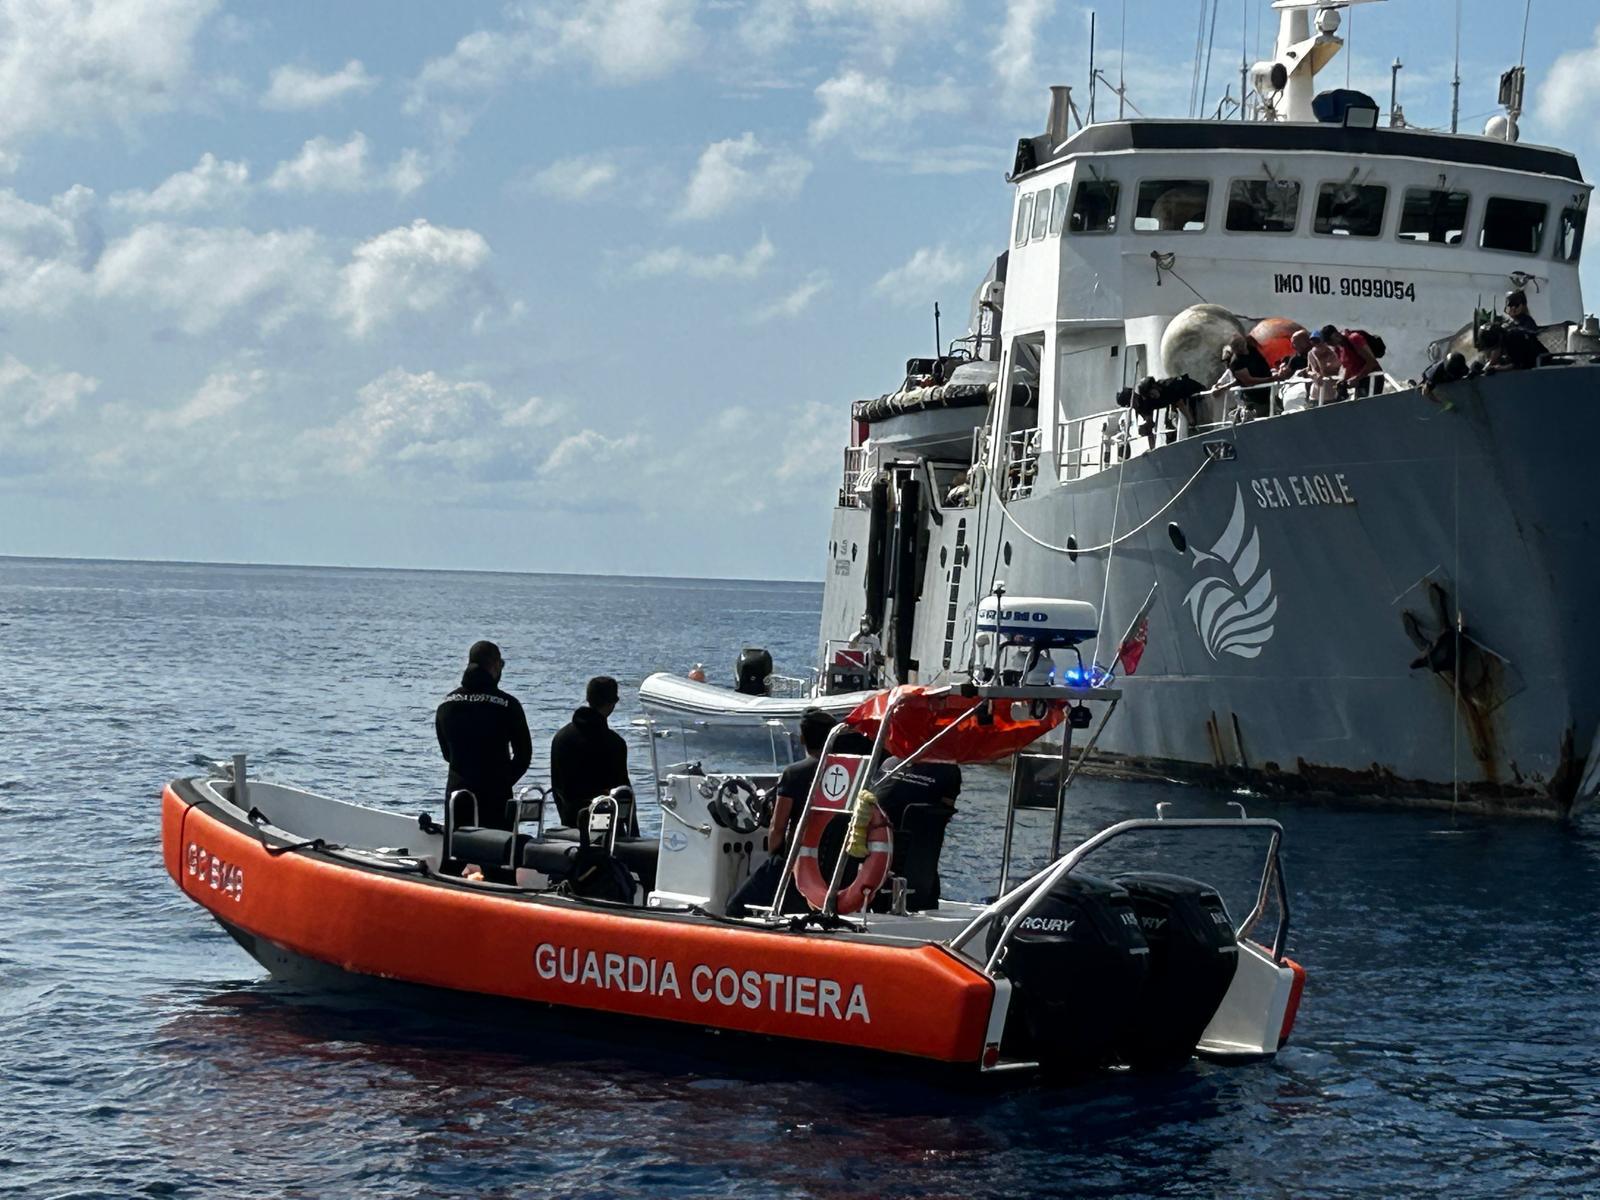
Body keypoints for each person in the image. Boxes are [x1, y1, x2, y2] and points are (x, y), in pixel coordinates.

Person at [726, 708, 857, 917]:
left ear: (803, 739)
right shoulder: (851, 772)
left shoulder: (794, 773)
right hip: (834, 860)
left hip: (795, 860)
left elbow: (777, 828)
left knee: (735, 908)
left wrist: (774, 858)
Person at [435, 640, 532, 831]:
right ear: (495, 665)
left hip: (458, 796)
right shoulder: (508, 705)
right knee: (497, 856)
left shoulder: (447, 704)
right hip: (495, 798)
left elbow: (447, 754)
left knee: (456, 854)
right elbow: (523, 755)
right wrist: (502, 781)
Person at [871, 756, 962, 911]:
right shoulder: (949, 770)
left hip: (873, 851)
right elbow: (945, 814)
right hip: (918, 857)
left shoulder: (888, 762)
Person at [549, 675, 635, 832]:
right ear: (613, 703)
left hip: (570, 822)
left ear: (588, 698)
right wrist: (633, 833)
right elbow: (623, 792)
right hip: (606, 826)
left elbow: (557, 788)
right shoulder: (614, 743)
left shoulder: (561, 738)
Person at [1322, 325, 1382, 398]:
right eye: (1328, 344)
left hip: (1372, 378)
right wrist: (1343, 380)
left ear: (1336, 334)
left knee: (1369, 406)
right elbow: (1346, 366)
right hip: (1361, 381)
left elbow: (1371, 362)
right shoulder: (1338, 348)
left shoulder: (1354, 338)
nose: (1331, 345)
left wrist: (1356, 378)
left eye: (1330, 341)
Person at [1223, 334, 1275, 412]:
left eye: (1240, 343)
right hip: (1255, 398)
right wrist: (1271, 379)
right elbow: (1248, 381)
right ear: (1233, 348)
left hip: (1269, 392)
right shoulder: (1236, 363)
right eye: (1236, 345)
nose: (1239, 346)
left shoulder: (1252, 350)